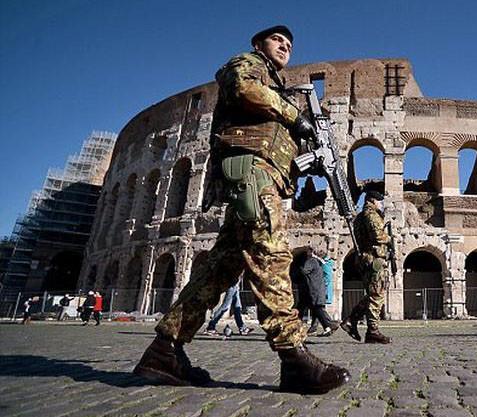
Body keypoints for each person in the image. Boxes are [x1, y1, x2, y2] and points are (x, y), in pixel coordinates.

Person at [133, 25, 350, 393]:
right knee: (271, 253)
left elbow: (278, 139)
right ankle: (292, 355)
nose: (285, 46)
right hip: (251, 172)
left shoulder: (275, 88)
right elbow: (243, 89)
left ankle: (164, 350)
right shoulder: (247, 66)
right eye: (277, 40)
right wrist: (296, 117)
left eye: (289, 44)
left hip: (264, 174)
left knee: (219, 269)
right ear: (257, 44)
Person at [340, 191, 392, 344]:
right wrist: (390, 238)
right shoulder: (372, 214)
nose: (381, 205)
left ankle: (351, 320)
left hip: (366, 259)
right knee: (377, 295)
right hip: (374, 259)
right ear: (373, 201)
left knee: (372, 293)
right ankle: (372, 331)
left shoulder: (359, 217)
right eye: (380, 202)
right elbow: (378, 236)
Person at [296, 247, 338, 337]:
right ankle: (322, 327)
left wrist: (297, 267)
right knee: (312, 308)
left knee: (318, 308)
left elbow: (304, 271)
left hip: (314, 289)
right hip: (315, 289)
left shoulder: (311, 261)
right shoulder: (318, 262)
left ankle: (330, 324)